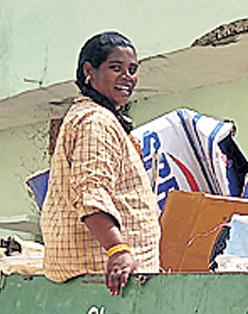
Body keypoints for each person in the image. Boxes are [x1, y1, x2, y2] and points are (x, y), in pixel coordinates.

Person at [42, 31, 160, 296]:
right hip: (105, 280)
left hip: (100, 278)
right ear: (89, 71)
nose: (127, 77)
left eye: (132, 70)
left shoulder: (93, 117)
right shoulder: (96, 121)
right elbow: (91, 192)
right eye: (115, 68)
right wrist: (118, 251)